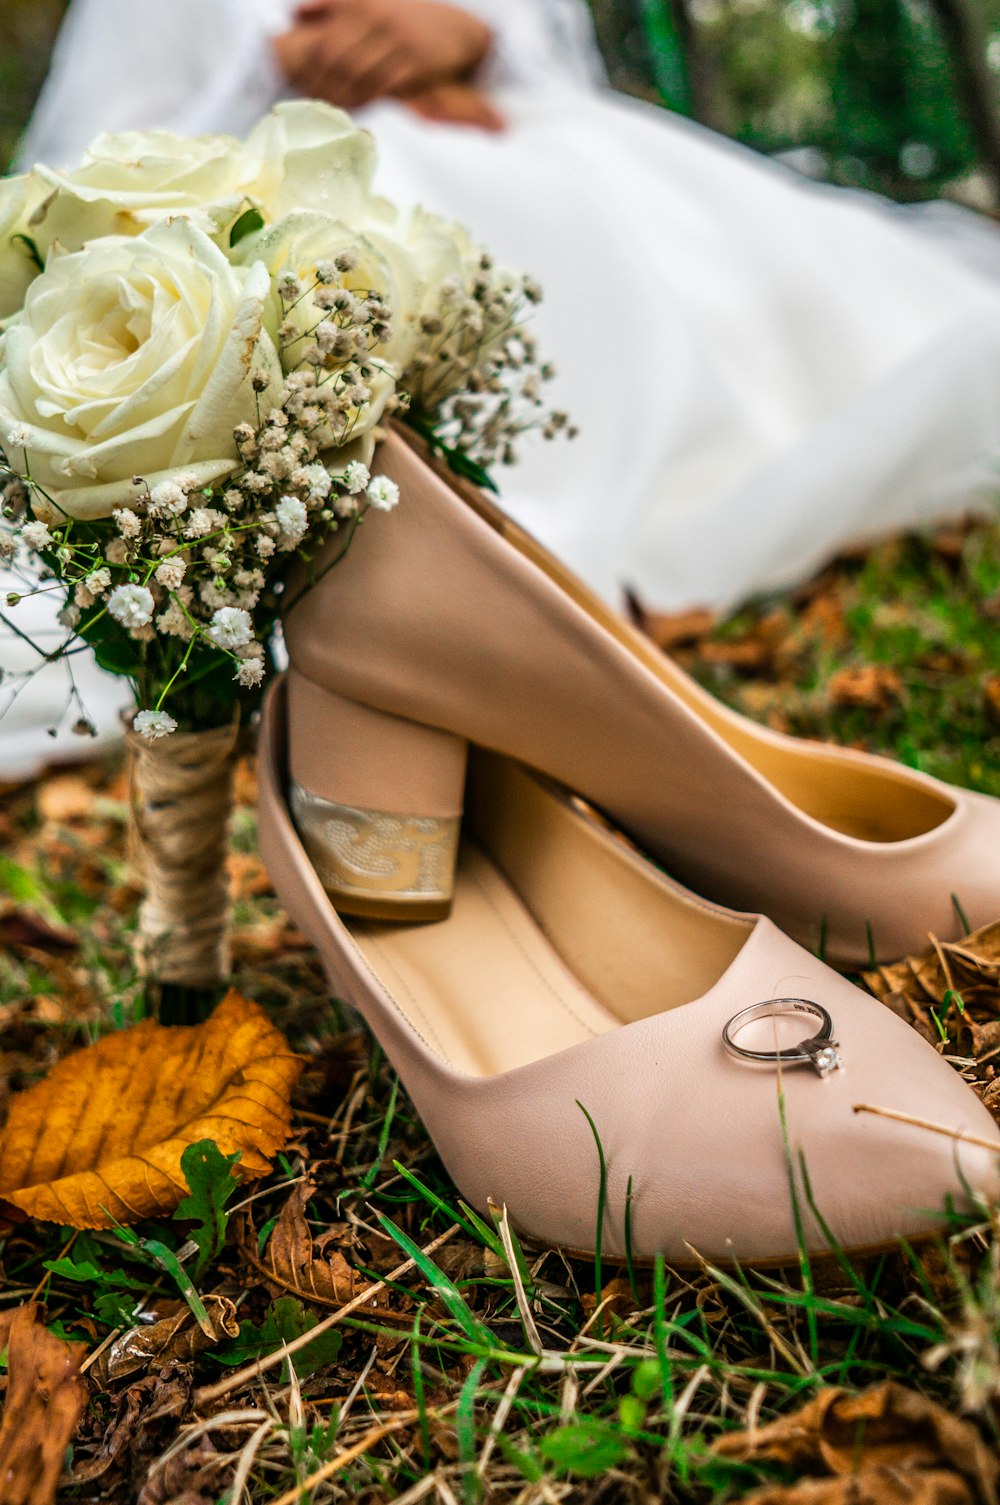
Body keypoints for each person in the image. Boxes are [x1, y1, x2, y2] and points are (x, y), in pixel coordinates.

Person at [4, 0, 1000, 776]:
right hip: (279, 163)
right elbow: (90, 159)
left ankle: (515, 554)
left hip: (514, 133)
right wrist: (271, 71)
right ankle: (414, 586)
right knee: (361, 240)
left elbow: (542, 42)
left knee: (662, 254)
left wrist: (468, 32)